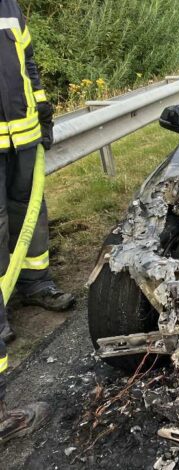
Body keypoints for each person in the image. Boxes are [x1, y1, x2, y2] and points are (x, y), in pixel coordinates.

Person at [0, 0, 54, 443]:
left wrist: (44, 109)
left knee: (31, 216)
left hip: (24, 136)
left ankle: (35, 285)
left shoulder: (11, 8)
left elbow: (27, 65)